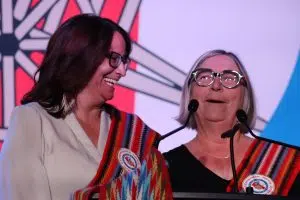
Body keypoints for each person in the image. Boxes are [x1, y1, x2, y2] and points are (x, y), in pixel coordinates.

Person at [0, 14, 172, 199]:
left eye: (124, 60)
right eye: (114, 58)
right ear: (81, 55)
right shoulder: (33, 119)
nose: (122, 71)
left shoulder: (132, 131)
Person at [163, 49, 300, 196]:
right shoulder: (163, 168)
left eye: (229, 78)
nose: (216, 86)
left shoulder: (289, 163)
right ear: (190, 93)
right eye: (204, 77)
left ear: (244, 96)